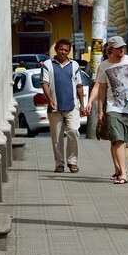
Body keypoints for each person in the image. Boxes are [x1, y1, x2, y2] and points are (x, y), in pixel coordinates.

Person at [86, 35, 128, 184]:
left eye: (123, 47)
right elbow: (102, 89)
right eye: (119, 47)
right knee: (118, 140)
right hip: (113, 107)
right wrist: (100, 110)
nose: (122, 49)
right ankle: (123, 173)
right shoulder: (104, 66)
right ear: (110, 49)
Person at [40, 39, 85, 173]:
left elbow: (79, 85)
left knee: (73, 131)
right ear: (56, 50)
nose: (63, 52)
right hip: (55, 107)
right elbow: (45, 84)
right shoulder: (48, 64)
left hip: (72, 106)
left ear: (69, 51)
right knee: (57, 136)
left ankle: (73, 162)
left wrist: (82, 104)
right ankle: (59, 163)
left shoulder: (74, 65)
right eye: (61, 49)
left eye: (66, 50)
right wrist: (49, 99)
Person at [87, 42, 122, 180]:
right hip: (111, 105)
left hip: (127, 106)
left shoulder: (127, 63)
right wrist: (90, 101)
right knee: (115, 139)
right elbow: (97, 86)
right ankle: (118, 169)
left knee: (126, 140)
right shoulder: (103, 66)